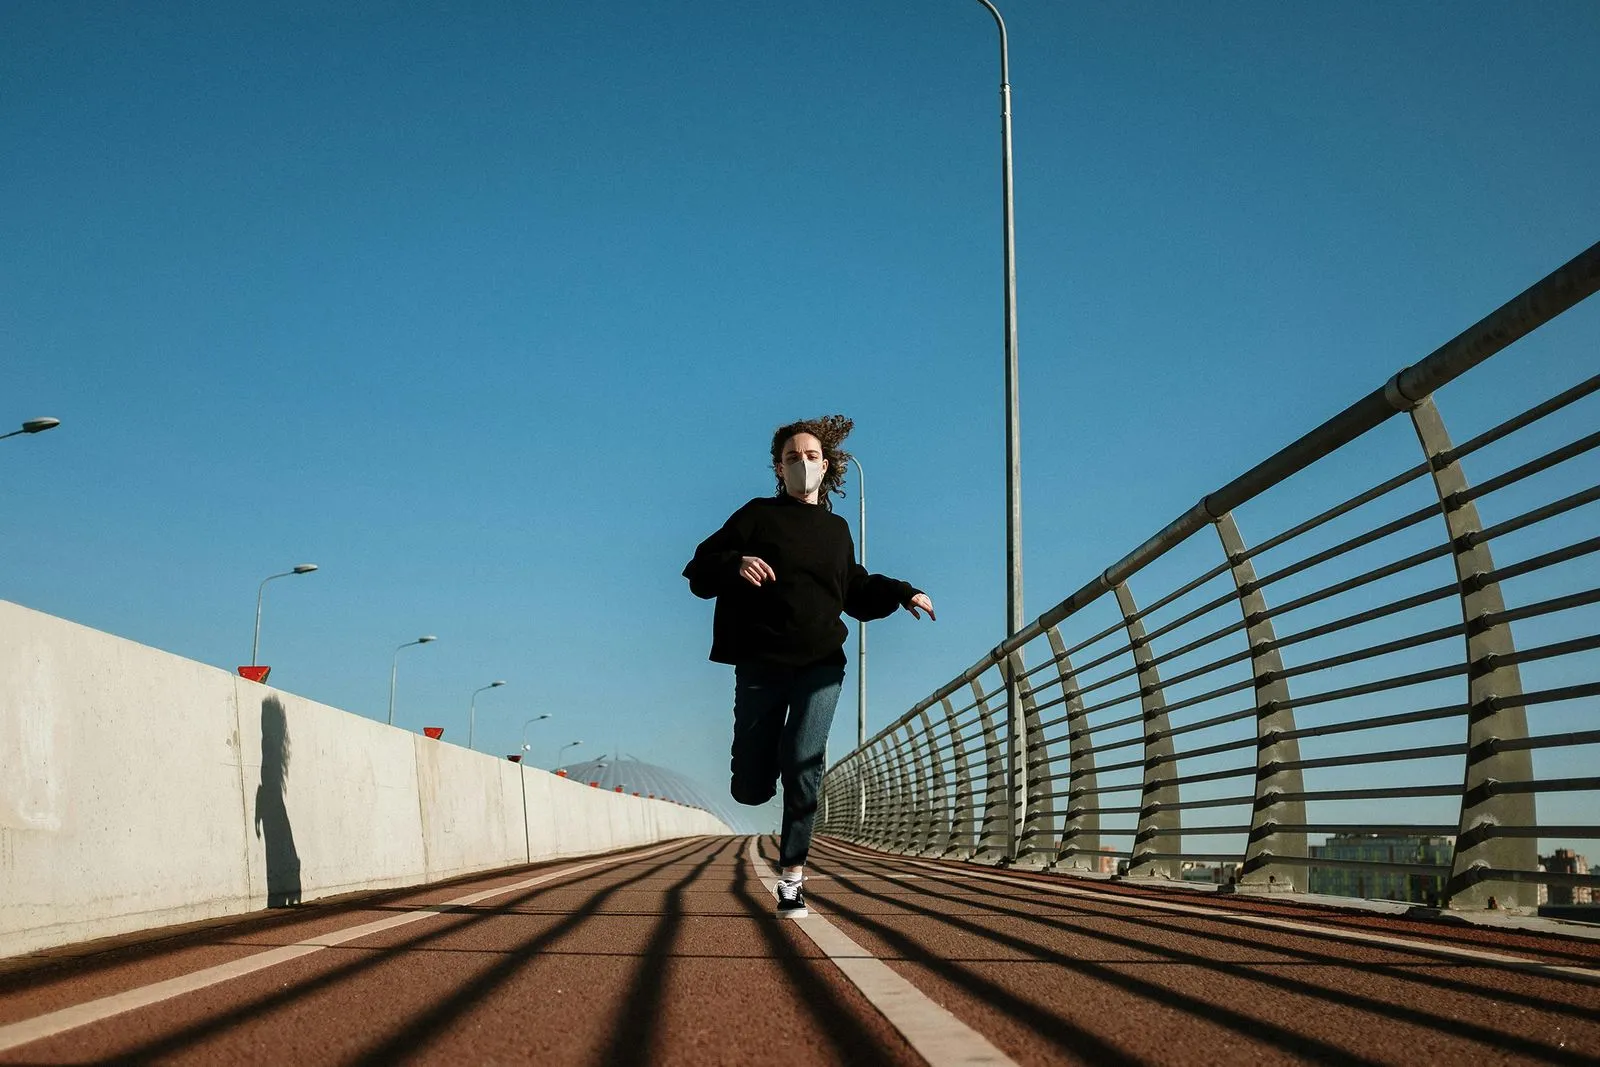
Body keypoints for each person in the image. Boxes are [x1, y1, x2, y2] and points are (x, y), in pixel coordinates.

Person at [683, 415, 934, 918]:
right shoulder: (756, 516)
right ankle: (760, 772)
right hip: (761, 663)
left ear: (827, 466)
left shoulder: (836, 530)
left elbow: (856, 589)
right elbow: (698, 569)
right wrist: (735, 563)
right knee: (751, 787)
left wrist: (903, 591)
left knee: (803, 762)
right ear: (779, 467)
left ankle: (792, 877)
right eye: (792, 457)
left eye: (811, 457)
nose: (802, 464)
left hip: (821, 662)